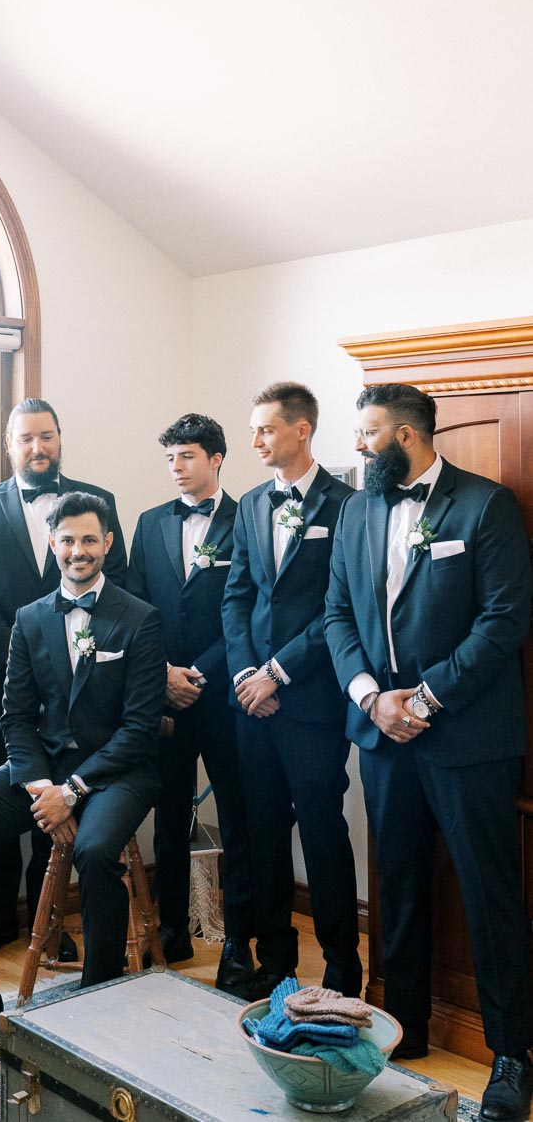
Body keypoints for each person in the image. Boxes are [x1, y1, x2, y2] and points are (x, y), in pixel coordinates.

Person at [325, 382, 533, 1120]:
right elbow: (337, 613)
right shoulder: (355, 510)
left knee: (489, 893)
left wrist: (424, 697)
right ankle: (401, 1028)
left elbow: (506, 620)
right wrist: (369, 697)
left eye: (367, 432)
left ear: (407, 435)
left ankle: (512, 1053)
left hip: (468, 738)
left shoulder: (485, 505)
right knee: (398, 885)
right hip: (383, 737)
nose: (357, 445)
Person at [0, 491, 165, 1043]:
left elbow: (139, 729)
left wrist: (73, 790)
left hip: (119, 771)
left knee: (93, 852)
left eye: (90, 539)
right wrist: (45, 787)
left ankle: (100, 1002)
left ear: (108, 543)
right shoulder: (30, 618)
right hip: (46, 768)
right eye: (67, 540)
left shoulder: (140, 619)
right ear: (52, 543)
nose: (78, 550)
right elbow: (14, 716)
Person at [0, 397, 127, 952]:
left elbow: (118, 590)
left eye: (48, 436)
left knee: (59, 802)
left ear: (61, 439)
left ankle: (51, 922)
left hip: (78, 690)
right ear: (9, 444)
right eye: (27, 438)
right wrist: (20, 658)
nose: (39, 447)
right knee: (4, 799)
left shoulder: (96, 503)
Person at [222, 382, 362, 1001]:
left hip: (311, 705)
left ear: (302, 430)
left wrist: (277, 673)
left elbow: (342, 606)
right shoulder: (251, 504)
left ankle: (340, 971)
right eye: (254, 430)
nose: (255, 441)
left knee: (323, 832)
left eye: (266, 429)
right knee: (263, 834)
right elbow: (238, 597)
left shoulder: (348, 506)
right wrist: (245, 676)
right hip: (252, 706)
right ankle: (276, 964)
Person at [126, 412, 253, 992]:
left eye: (187, 457)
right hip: (164, 699)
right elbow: (133, 608)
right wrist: (162, 675)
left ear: (216, 458)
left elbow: (247, 611)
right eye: (170, 459)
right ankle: (172, 930)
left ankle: (236, 944)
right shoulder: (150, 524)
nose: (176, 468)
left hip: (225, 696)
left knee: (238, 820)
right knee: (169, 819)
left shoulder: (245, 519)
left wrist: (198, 672)